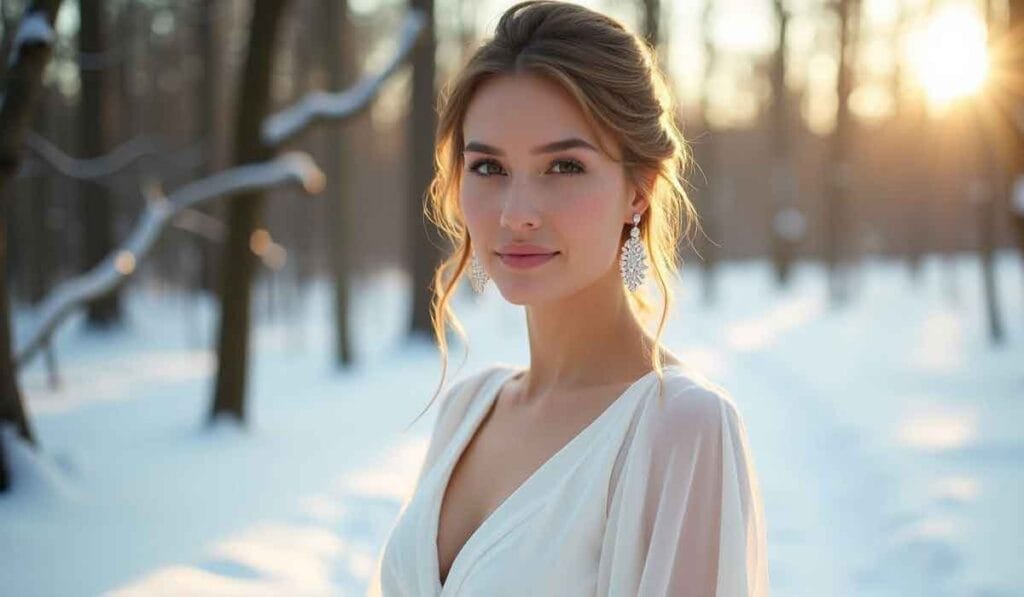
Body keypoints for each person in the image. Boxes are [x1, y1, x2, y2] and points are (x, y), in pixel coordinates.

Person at [367, 1, 769, 595]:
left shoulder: (679, 428)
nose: (515, 213)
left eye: (562, 166)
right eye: (487, 167)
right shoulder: (467, 408)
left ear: (638, 189)